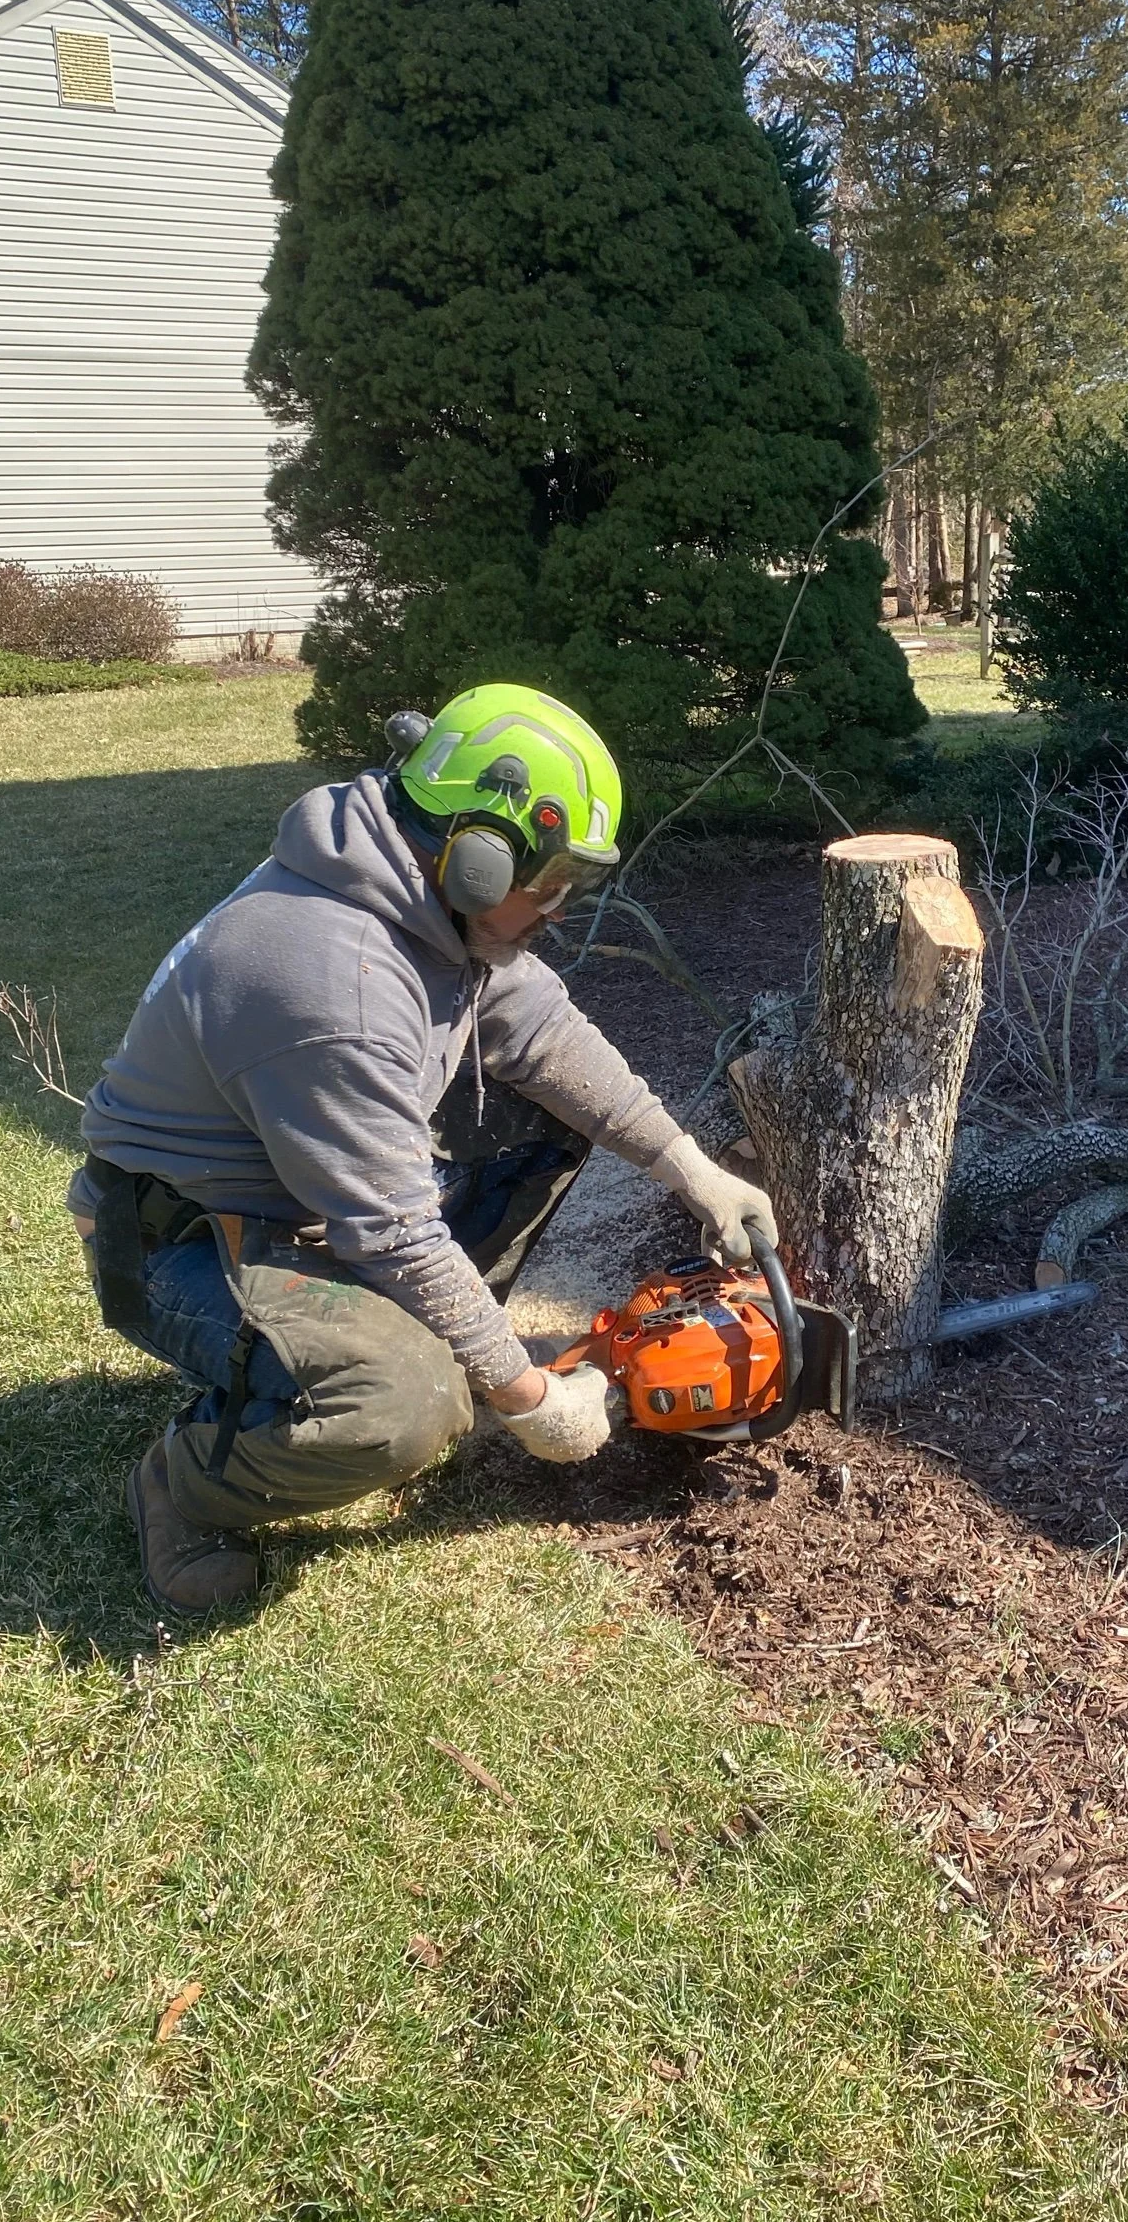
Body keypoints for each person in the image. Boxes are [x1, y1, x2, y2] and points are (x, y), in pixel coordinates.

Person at [69, 683, 775, 1616]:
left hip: (302, 1202)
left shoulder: (416, 900)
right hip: (176, 1242)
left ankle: (408, 1341)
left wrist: (693, 1169)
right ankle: (185, 1486)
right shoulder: (332, 981)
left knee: (547, 1110)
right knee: (406, 1409)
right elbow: (394, 1228)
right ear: (479, 856)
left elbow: (548, 1041)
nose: (559, 907)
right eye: (552, 879)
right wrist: (525, 1397)